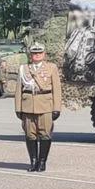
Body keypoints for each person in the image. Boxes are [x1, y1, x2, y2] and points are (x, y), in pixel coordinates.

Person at [14, 43, 63, 172]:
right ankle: (33, 161)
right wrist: (18, 108)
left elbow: (57, 89)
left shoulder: (51, 68)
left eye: (39, 53)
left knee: (45, 134)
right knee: (30, 135)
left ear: (44, 54)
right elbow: (19, 89)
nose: (37, 55)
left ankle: (42, 162)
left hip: (46, 105)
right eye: (34, 53)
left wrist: (57, 108)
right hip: (28, 105)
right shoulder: (24, 69)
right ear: (30, 55)